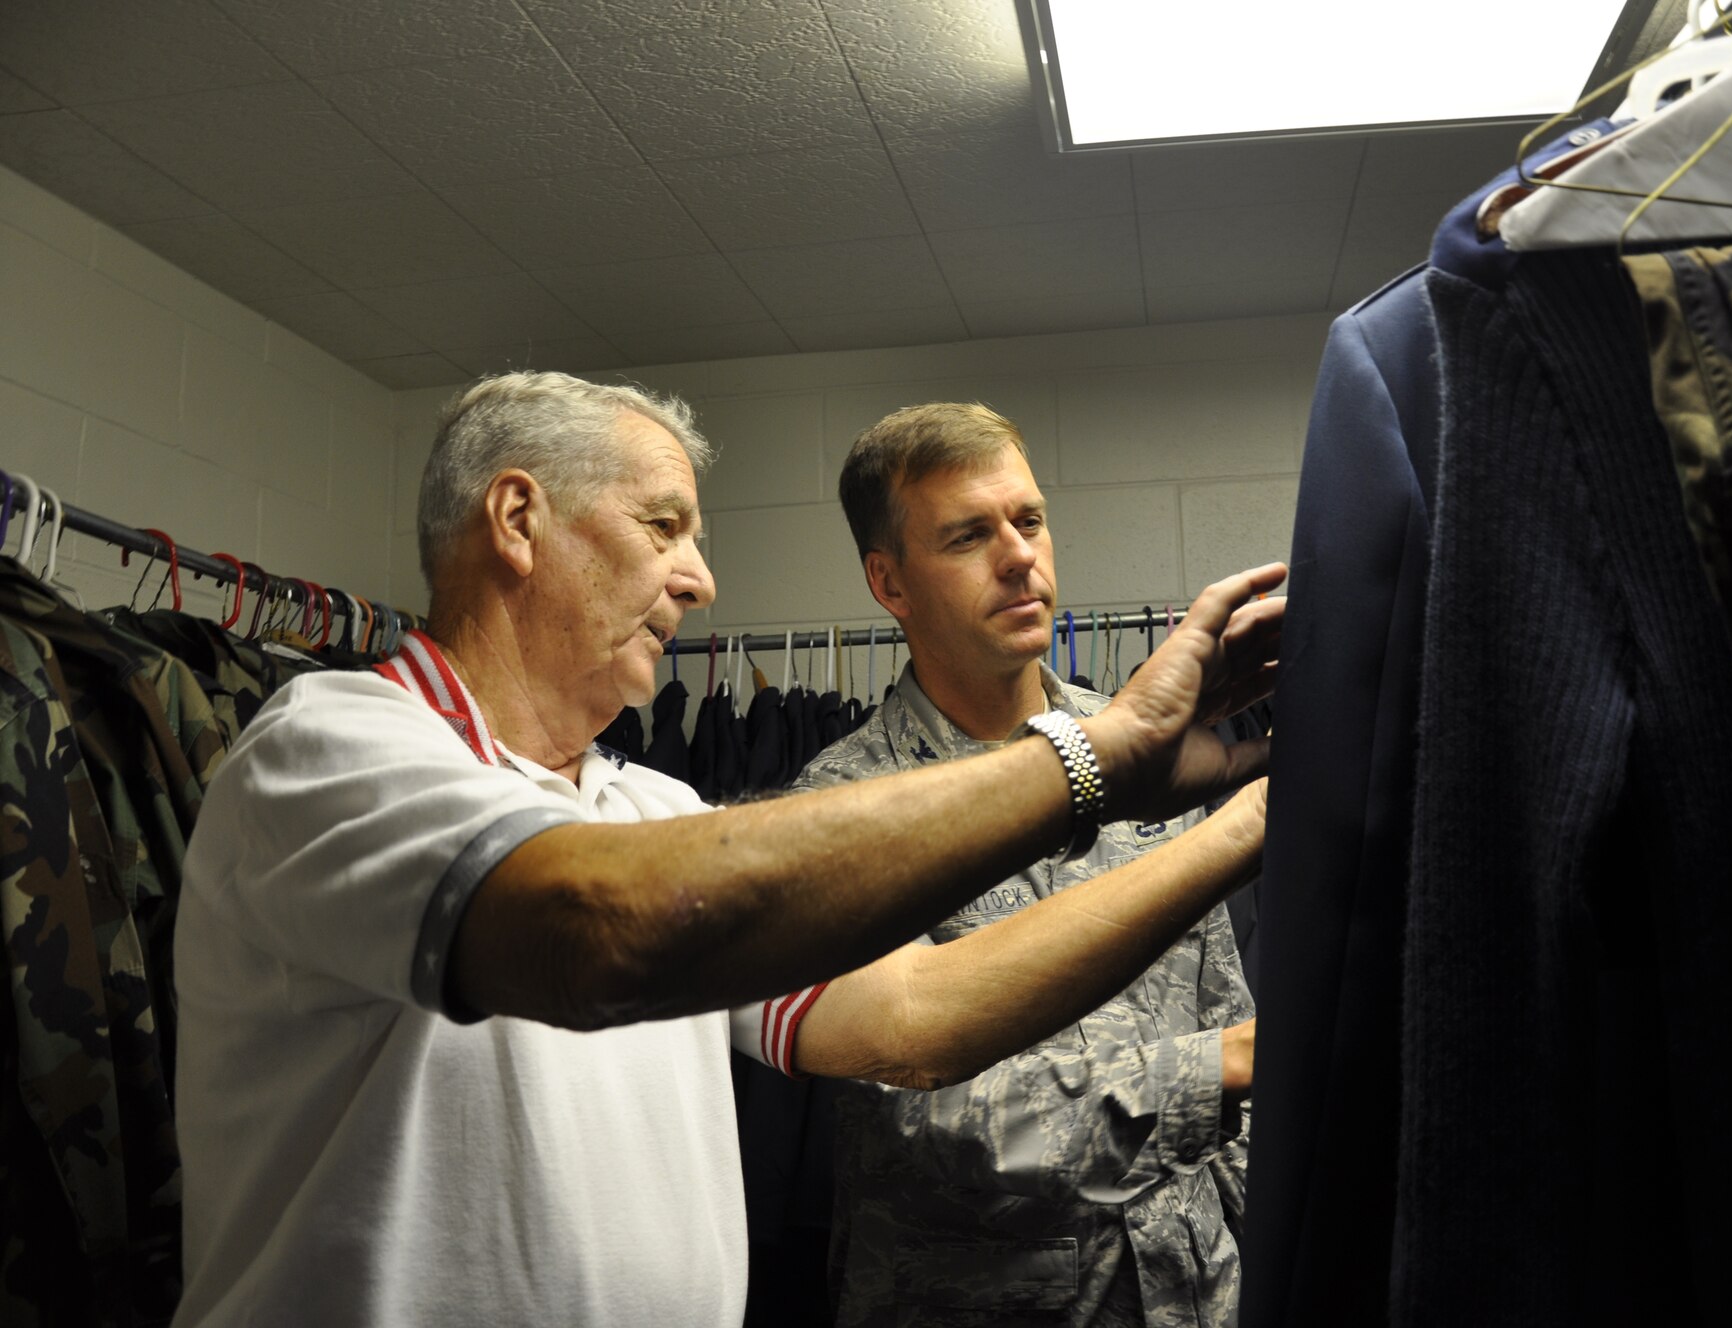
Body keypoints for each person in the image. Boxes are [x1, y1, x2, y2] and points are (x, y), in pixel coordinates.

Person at [169, 372, 1283, 1327]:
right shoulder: (330, 745)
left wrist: (1244, 822)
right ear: (516, 517)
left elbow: (913, 1016)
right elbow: (596, 930)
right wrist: (1097, 758)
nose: (701, 580)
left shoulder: (648, 802)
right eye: (663, 527)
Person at [792, 403, 1254, 1326]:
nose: (1018, 557)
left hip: (1191, 1297)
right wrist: (1226, 1069)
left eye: (1029, 521)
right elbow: (935, 1125)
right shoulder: (838, 815)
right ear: (890, 582)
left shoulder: (1145, 748)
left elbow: (1227, 1005)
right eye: (969, 535)